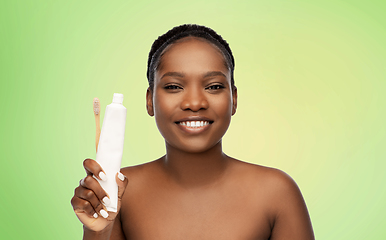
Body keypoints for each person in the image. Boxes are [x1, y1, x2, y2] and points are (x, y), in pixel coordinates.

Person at [71, 24, 315, 240]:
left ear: (234, 99)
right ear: (149, 101)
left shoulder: (276, 193)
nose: (195, 102)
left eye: (214, 86)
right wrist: (97, 233)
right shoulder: (116, 191)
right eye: (174, 86)